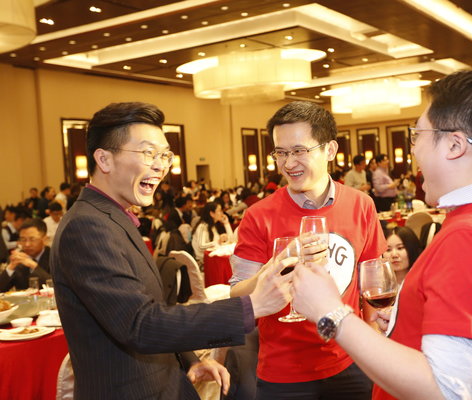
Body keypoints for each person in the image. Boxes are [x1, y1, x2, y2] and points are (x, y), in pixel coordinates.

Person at [292, 70, 472, 400]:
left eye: (418, 136)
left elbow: (443, 388)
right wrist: (408, 322)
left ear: (455, 145)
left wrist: (332, 312)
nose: (413, 151)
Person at [50, 102, 294, 400]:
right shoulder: (87, 226)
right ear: (104, 159)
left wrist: (190, 359)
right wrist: (251, 306)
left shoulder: (114, 218)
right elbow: (139, 324)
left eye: (164, 155)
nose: (161, 166)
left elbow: (151, 307)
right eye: (148, 153)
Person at [229, 101, 386, 399]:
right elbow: (238, 296)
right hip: (283, 372)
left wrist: (374, 346)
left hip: (351, 359)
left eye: (299, 151)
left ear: (330, 150)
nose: (289, 163)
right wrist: (278, 263)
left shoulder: (361, 205)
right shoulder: (258, 216)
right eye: (281, 153)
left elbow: (371, 283)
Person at [0, 218, 51, 292]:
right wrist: (10, 267)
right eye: (23, 239)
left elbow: (55, 286)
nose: (27, 244)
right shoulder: (18, 259)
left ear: (45, 239)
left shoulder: (55, 257)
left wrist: (34, 266)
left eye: (32, 239)